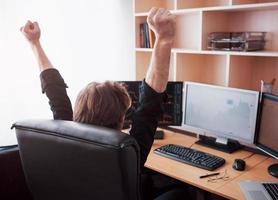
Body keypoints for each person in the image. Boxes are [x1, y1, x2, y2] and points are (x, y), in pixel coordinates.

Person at [21, 7, 183, 200]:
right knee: (180, 194)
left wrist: (35, 43)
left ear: (79, 110)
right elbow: (150, 103)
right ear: (121, 119)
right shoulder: (125, 152)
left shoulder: (64, 132)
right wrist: (164, 39)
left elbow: (54, 91)